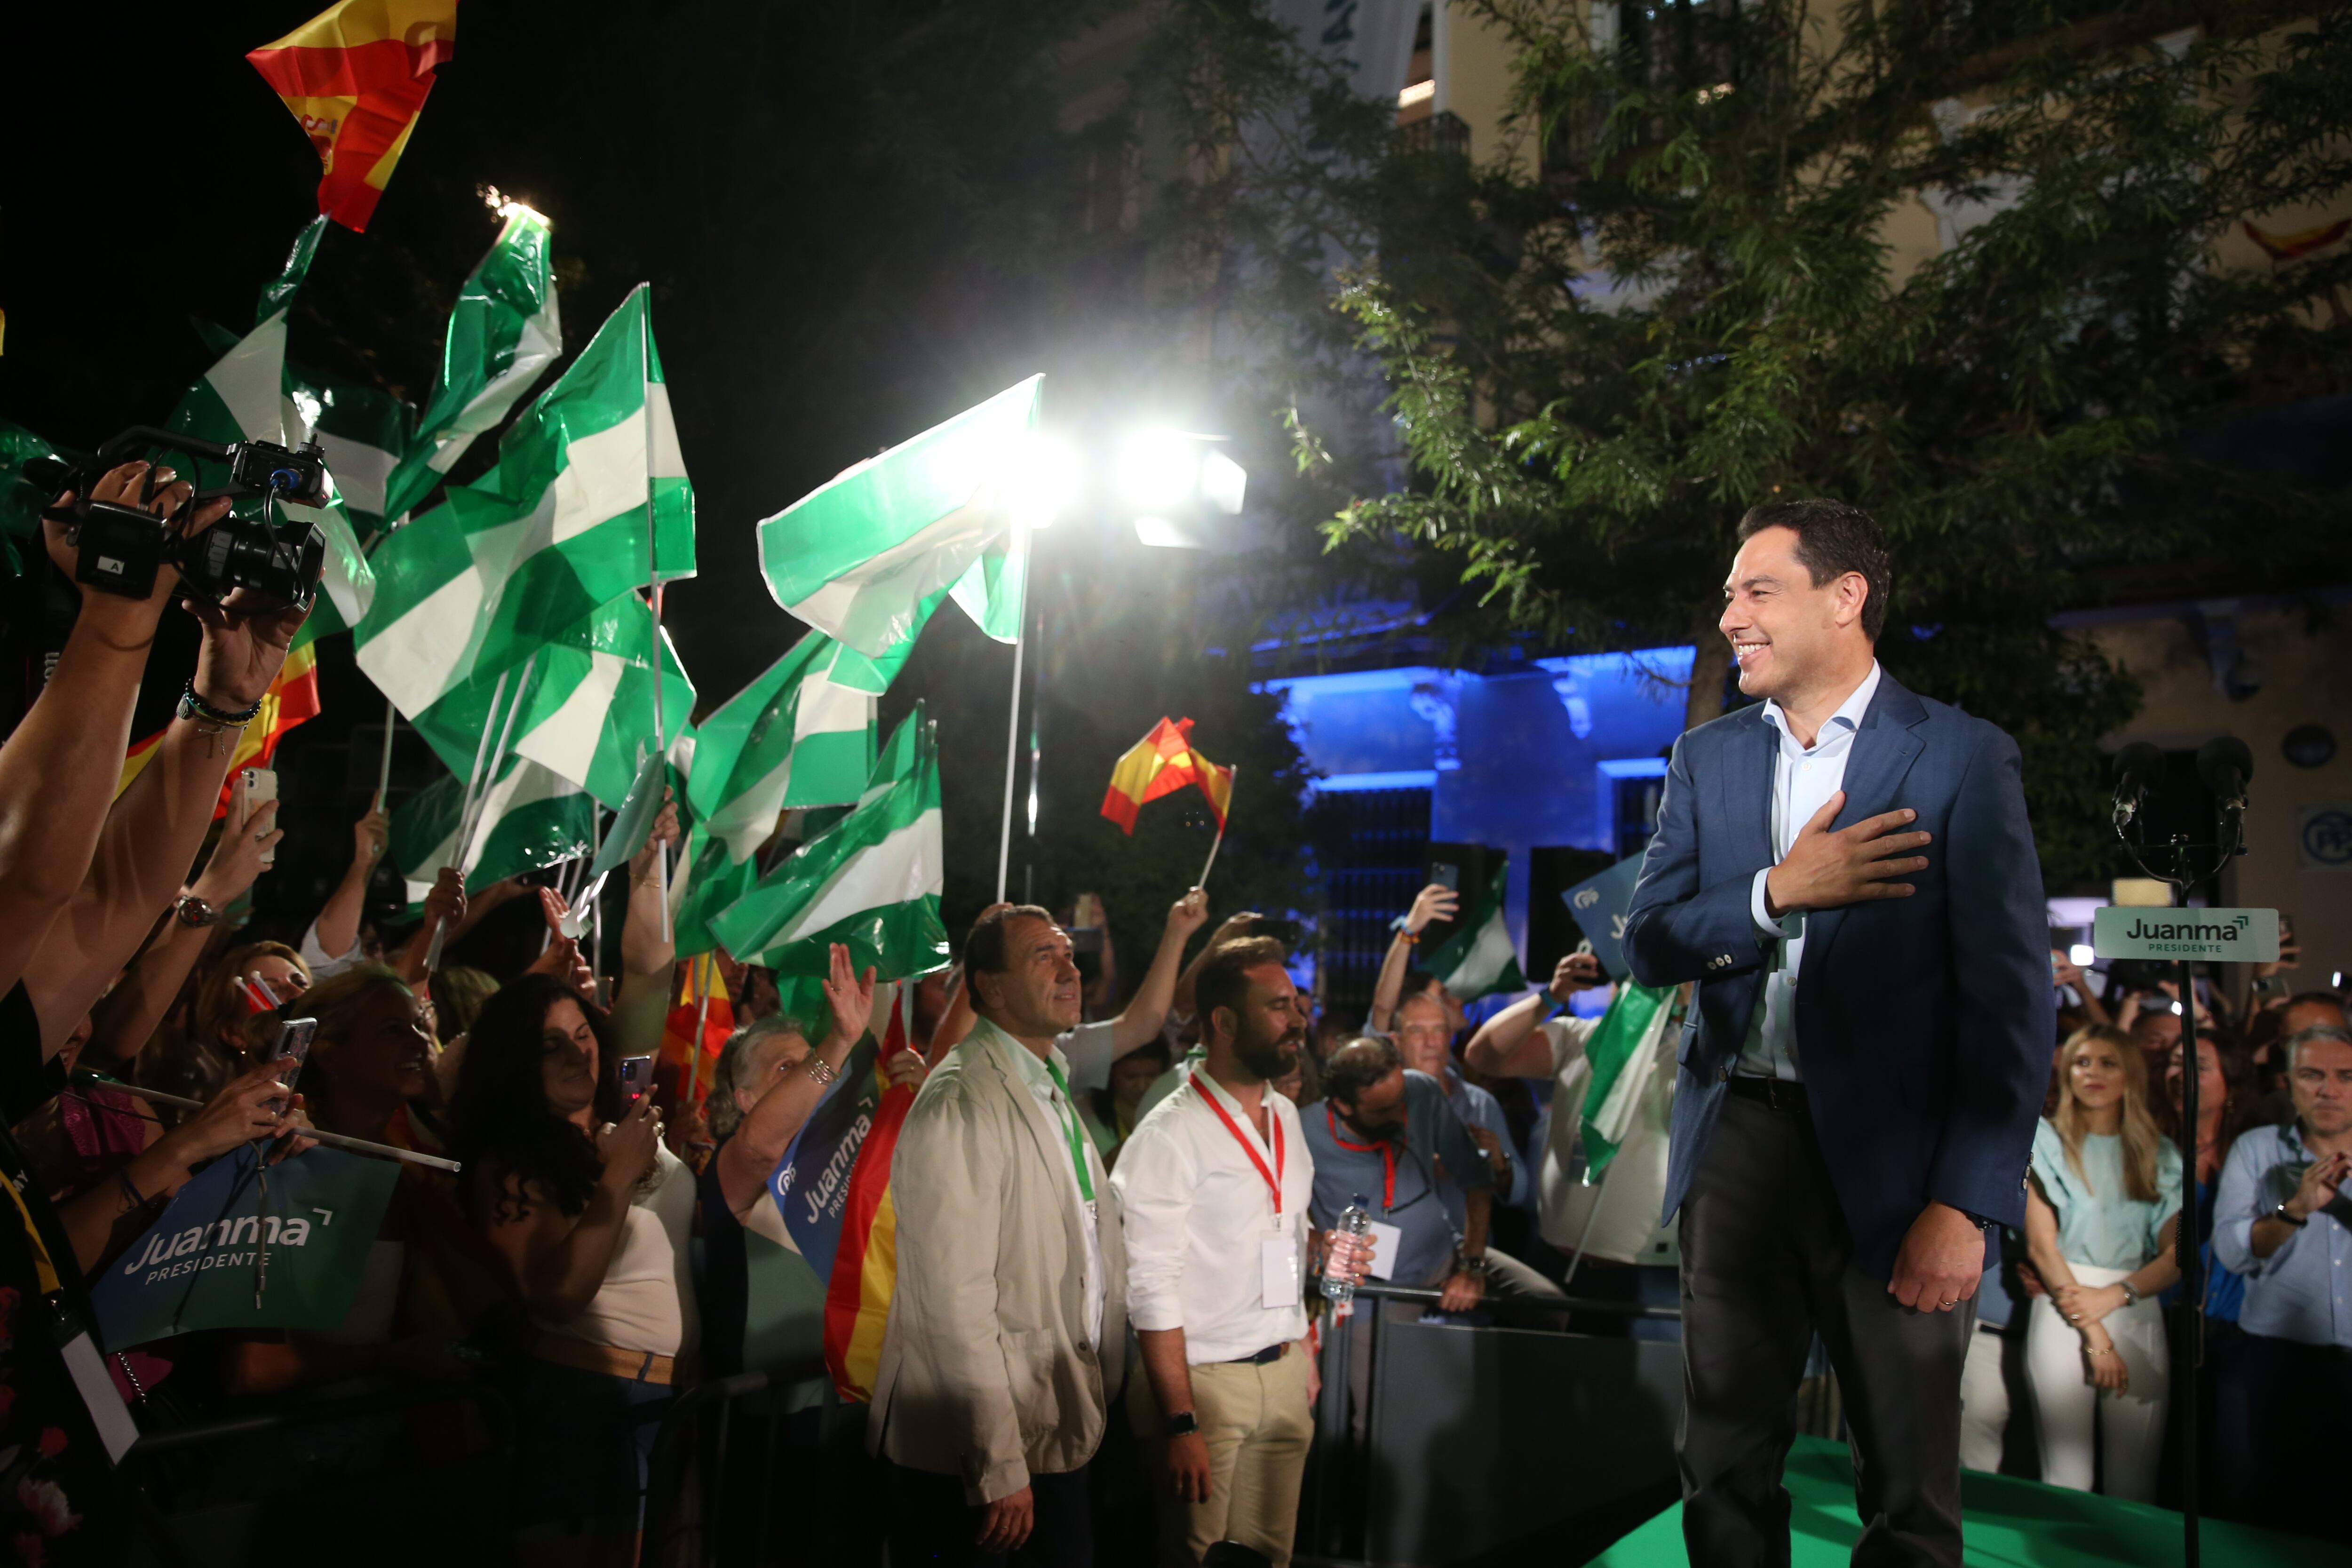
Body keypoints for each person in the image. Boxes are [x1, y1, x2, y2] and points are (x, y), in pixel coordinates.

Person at [1623, 499, 2051, 1568]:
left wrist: (1965, 1202)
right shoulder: (1706, 759)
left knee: (1908, 1489)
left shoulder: (1961, 757)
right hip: (1736, 1151)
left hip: (1901, 1175)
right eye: (1728, 593)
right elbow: (1648, 943)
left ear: (1844, 596)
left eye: (1756, 590)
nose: (1730, 615)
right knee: (1722, 1468)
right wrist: (1776, 893)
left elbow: (2011, 1005)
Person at [872, 906, 1127, 1567]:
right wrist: (997, 1463)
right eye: (1045, 955)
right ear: (989, 986)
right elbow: (953, 1303)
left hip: (1051, 1429)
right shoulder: (962, 1098)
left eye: (1070, 953)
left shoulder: (1047, 1085)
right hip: (988, 1458)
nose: (1072, 970)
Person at [450, 974, 693, 1563]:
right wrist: (616, 1176)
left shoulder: (625, 1129)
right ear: (514, 1063)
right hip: (584, 1402)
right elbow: (556, 1296)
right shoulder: (513, 1163)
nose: (576, 1051)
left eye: (582, 1034)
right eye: (549, 1044)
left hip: (673, 1399)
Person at [1112, 937, 1323, 1568]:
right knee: (1194, 1558)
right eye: (1278, 1006)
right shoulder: (1168, 1133)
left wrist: (1302, 1342)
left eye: (1295, 1003)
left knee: (1270, 1557)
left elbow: (1282, 1228)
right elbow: (1149, 1284)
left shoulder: (1285, 1113)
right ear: (1224, 1024)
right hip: (1204, 1385)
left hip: (1284, 1373)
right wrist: (1180, 1423)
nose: (1298, 1020)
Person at [2019, 1027, 2182, 1500]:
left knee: (2134, 1482)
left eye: (2107, 1062)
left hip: (2136, 1305)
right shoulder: (2042, 1141)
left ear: (2129, 1074)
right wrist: (2094, 1334)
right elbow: (2041, 1248)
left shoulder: (2161, 1152)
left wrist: (2113, 1298)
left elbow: (2176, 1256)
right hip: (2061, 1307)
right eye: (2081, 1062)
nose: (2092, 1073)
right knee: (2064, 1477)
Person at [2212, 1024, 2352, 1546]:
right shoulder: (2256, 1149)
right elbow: (2229, 1252)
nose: (2328, 1089)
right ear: (2287, 1083)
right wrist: (2292, 1211)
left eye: (2344, 1076)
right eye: (2312, 1075)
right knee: (2276, 1517)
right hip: (2279, 1360)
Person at [1463, 951, 1681, 1282]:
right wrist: (1551, 996)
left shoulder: (1690, 1052)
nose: (1641, 989)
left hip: (1646, 1273)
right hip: (1553, 1257)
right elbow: (1483, 1056)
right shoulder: (1580, 1038)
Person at [2165, 1029, 2256, 1519]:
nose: (2179, 1075)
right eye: (2174, 1063)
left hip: (2233, 1330)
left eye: (2197, 1065)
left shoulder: (2255, 1153)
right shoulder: (2148, 1142)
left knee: (2232, 1471)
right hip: (2158, 1324)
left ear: (2231, 1081)